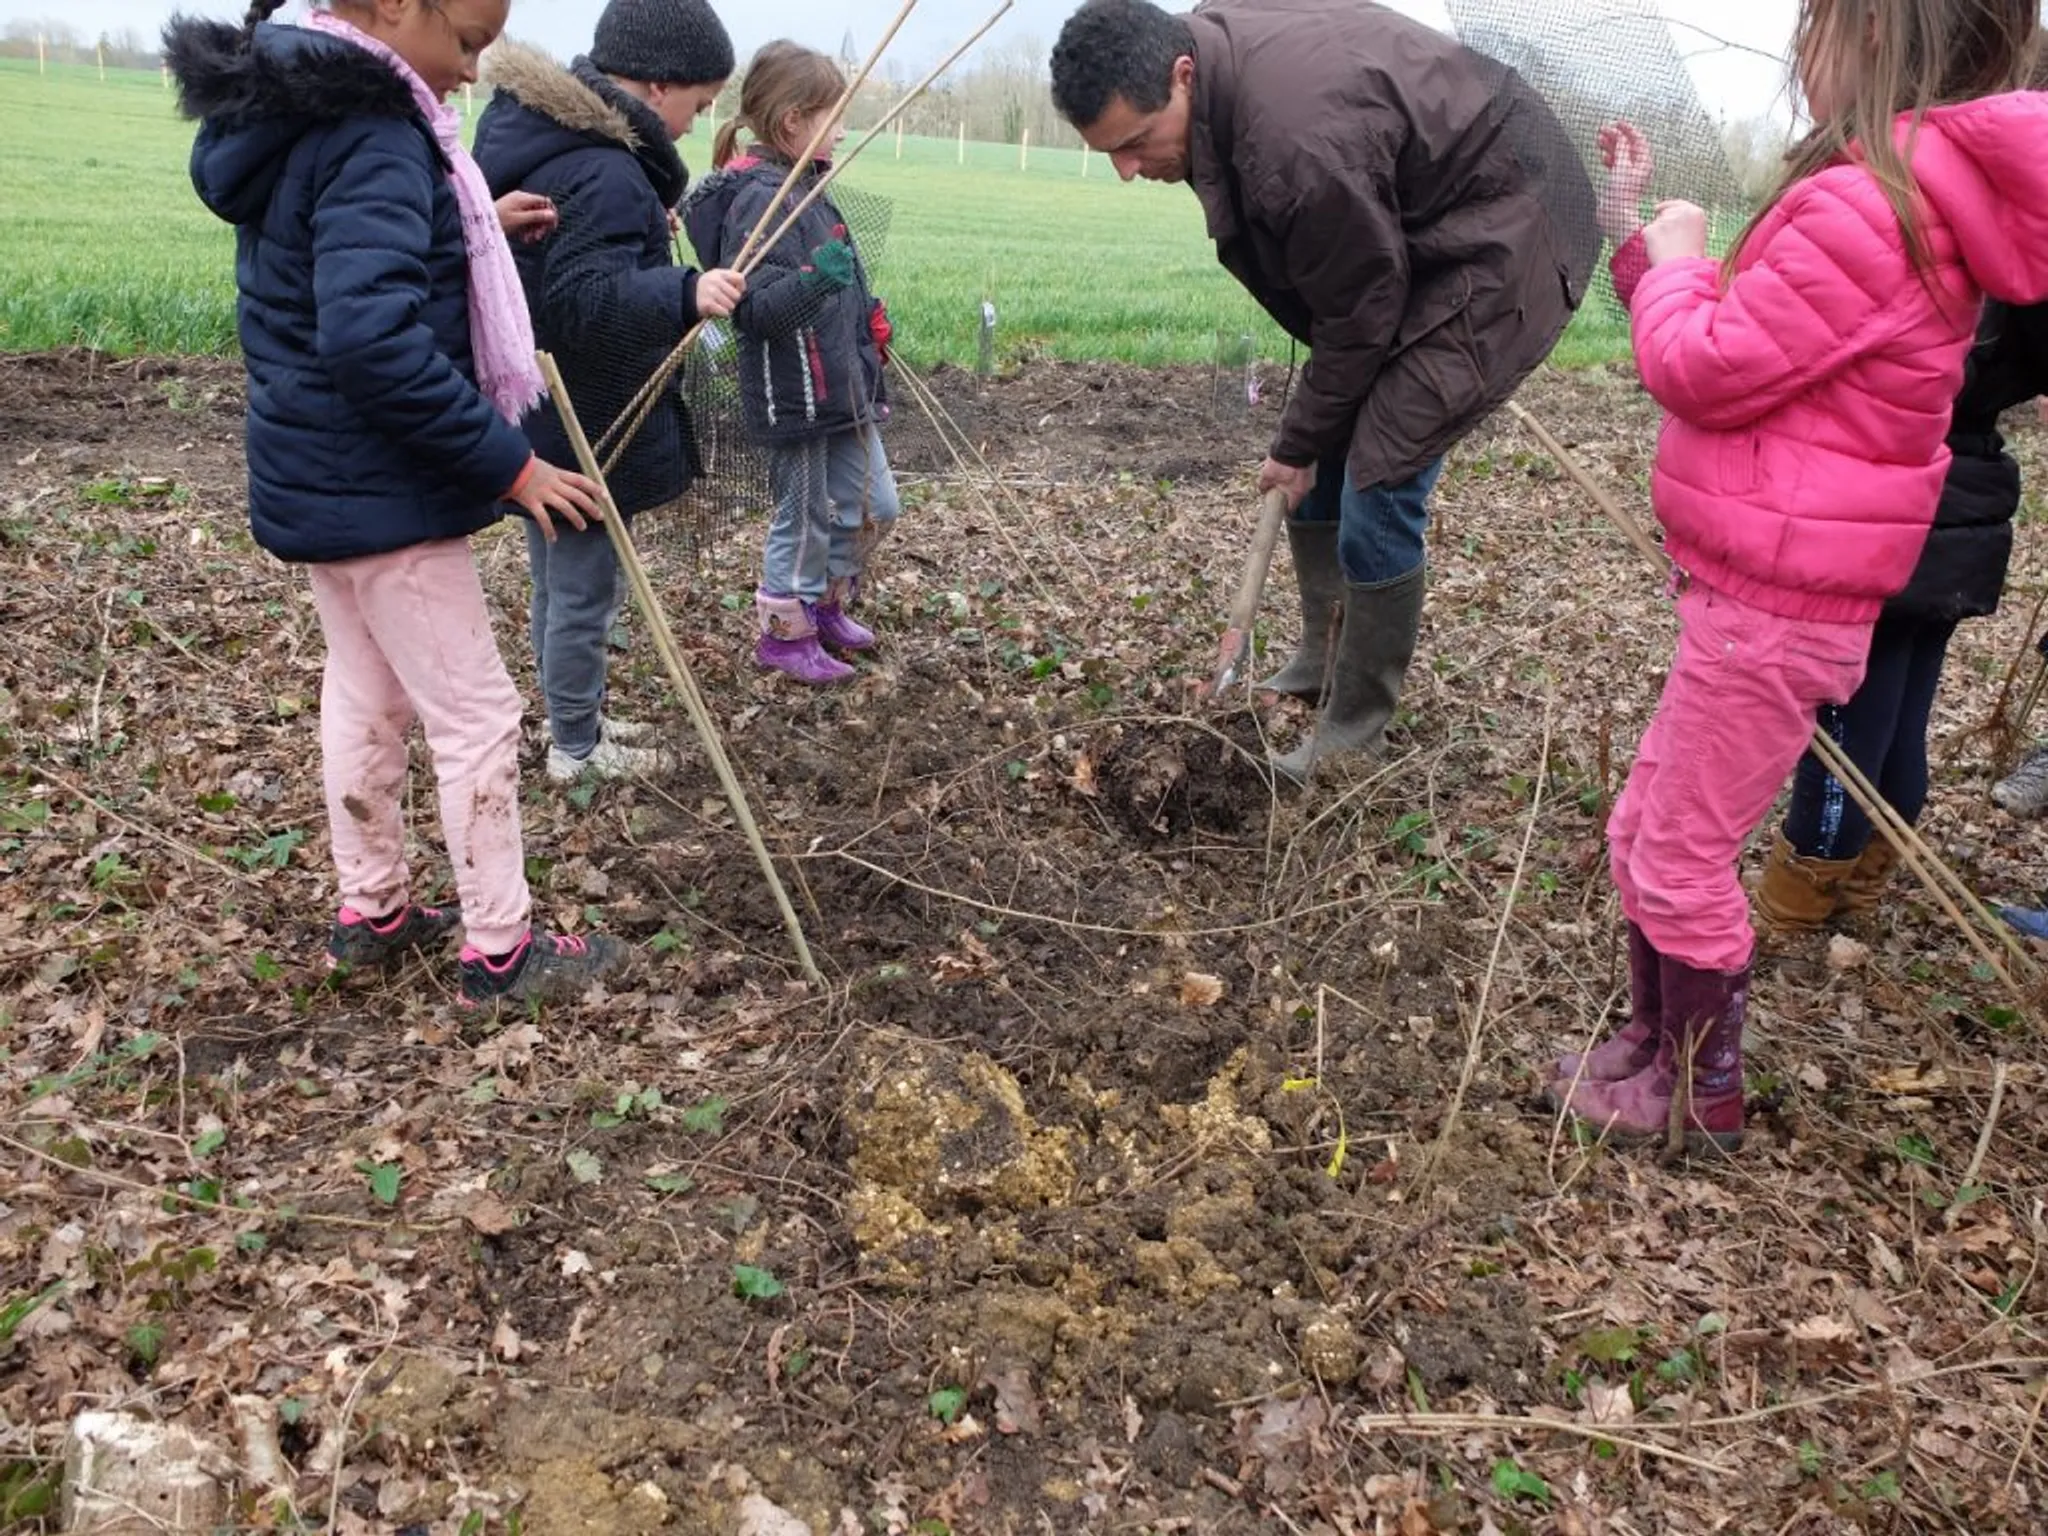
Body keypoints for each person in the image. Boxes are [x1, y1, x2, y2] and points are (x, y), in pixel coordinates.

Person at [1546, 0, 2048, 1150]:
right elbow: (1753, 346)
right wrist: (1637, 235)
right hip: (1756, 594)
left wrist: (1673, 259)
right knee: (1642, 832)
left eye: (1812, 25)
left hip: (1768, 610)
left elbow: (1706, 367)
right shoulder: (1895, 193)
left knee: (1674, 856)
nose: (1795, 51)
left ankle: (1691, 1093)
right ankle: (1645, 1044)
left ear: (1869, 35)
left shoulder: (1873, 203)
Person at [167, 0, 628, 1007]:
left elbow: (334, 249)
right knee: (477, 716)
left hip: (316, 469)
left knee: (365, 693)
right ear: (388, 8)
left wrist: (460, 223)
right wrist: (511, 465)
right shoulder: (375, 126)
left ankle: (371, 909)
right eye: (465, 41)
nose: (472, 71)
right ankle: (500, 954)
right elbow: (374, 340)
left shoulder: (296, 105)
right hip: (383, 485)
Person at [1049, 0, 1600, 780]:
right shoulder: (1220, 60)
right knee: (1323, 449)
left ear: (1183, 76)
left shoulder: (1297, 140)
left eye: (1137, 141)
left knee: (1378, 474)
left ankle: (1355, 732)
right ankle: (1320, 658)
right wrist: (1307, 443)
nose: (1128, 170)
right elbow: (1353, 294)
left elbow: (1360, 307)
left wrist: (1298, 442)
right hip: (1416, 232)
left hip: (1507, 230)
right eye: (1110, 151)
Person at [474, 0, 747, 782]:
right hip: (589, 424)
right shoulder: (604, 169)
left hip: (548, 419)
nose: (697, 124)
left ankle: (575, 715)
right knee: (583, 592)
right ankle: (576, 750)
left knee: (559, 585)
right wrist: (681, 292)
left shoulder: (560, 148)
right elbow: (582, 303)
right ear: (658, 87)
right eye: (698, 104)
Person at [1753, 298, 2048, 933]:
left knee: (1847, 726)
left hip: (1889, 510)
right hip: (1966, 507)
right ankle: (1859, 889)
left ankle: (1797, 906)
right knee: (1903, 706)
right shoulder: (2018, 297)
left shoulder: (1948, 299)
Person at [682, 41, 900, 685]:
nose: (844, 129)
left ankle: (827, 603)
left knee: (875, 503)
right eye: (834, 117)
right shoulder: (759, 201)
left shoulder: (810, 188)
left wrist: (869, 318)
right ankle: (785, 633)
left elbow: (839, 282)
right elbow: (752, 313)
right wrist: (816, 280)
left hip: (842, 383)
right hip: (794, 394)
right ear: (792, 123)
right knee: (802, 517)